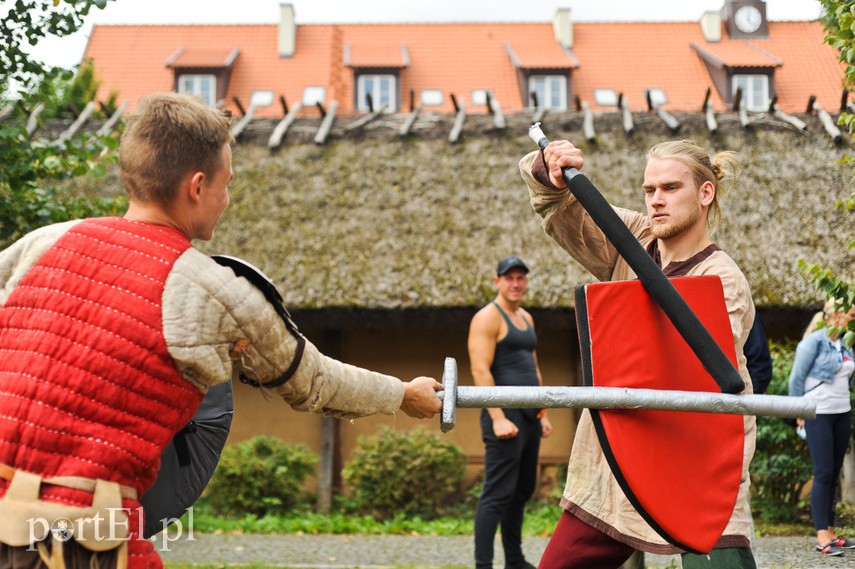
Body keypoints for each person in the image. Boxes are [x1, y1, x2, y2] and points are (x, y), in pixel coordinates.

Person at [0, 92, 442, 569]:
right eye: (226, 184)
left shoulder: (39, 245)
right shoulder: (216, 293)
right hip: (87, 542)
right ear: (197, 186)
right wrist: (402, 394)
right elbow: (315, 380)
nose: (227, 199)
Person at [519, 139, 757, 569]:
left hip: (696, 460)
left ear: (706, 194)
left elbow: (688, 368)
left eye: (670, 188)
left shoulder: (722, 279)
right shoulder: (632, 239)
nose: (656, 200)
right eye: (649, 191)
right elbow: (562, 210)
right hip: (618, 456)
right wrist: (553, 167)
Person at [468, 256, 553, 569]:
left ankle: (515, 560)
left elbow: (533, 366)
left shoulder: (526, 318)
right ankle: (483, 565)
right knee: (498, 492)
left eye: (521, 278)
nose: (516, 284)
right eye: (509, 278)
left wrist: (543, 412)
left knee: (522, 490)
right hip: (504, 415)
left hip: (530, 415)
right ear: (497, 281)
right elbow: (479, 369)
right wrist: (498, 416)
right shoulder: (487, 317)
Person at [788, 301, 855, 557]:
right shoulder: (814, 341)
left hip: (842, 411)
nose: (853, 318)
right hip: (818, 412)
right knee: (823, 472)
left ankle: (831, 529)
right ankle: (821, 536)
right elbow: (796, 378)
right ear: (837, 315)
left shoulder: (846, 343)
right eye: (851, 314)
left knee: (834, 472)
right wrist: (798, 410)